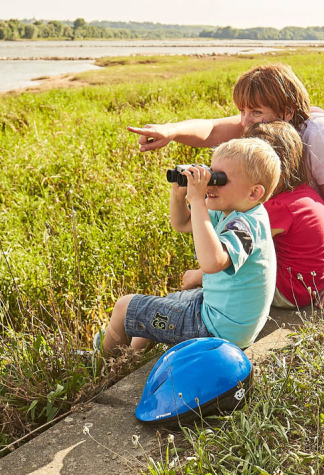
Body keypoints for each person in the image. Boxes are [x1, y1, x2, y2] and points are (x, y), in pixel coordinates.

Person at [127, 63, 324, 309]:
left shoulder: (319, 136)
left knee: (231, 254)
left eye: (256, 112)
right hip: (290, 233)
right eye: (242, 111)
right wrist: (170, 131)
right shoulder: (265, 127)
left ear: (287, 112)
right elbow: (213, 129)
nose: (246, 122)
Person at [100, 137, 280, 355]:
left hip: (215, 330)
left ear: (254, 192)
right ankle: (131, 359)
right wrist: (179, 194)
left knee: (124, 306)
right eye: (211, 174)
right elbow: (182, 223)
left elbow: (213, 262)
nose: (210, 184)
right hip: (226, 321)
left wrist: (196, 201)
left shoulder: (246, 225)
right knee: (166, 302)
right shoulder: (237, 208)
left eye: (219, 179)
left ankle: (100, 369)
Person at [242, 121, 324, 308]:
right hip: (311, 285)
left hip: (289, 293)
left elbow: (239, 246)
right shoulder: (304, 193)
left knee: (233, 263)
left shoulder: (278, 207)